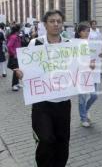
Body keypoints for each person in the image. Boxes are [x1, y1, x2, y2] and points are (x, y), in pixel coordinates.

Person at [15, 10, 72, 167]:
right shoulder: (36, 43)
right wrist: (21, 74)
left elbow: (77, 68)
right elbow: (26, 69)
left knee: (62, 140)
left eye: (59, 21)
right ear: (45, 24)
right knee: (45, 139)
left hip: (63, 102)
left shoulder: (69, 45)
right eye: (52, 21)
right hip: (42, 102)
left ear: (62, 24)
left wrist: (88, 67)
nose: (56, 24)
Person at [75, 24, 99, 127]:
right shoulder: (74, 43)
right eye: (85, 31)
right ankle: (83, 118)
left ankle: (85, 110)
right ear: (80, 32)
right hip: (80, 74)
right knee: (82, 98)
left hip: (92, 74)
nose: (87, 33)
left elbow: (94, 56)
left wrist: (95, 60)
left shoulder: (92, 43)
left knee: (94, 95)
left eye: (88, 31)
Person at [7, 24, 22, 91]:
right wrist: (14, 54)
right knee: (16, 70)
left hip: (17, 55)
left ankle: (17, 83)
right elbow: (9, 46)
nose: (21, 30)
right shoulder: (14, 37)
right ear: (18, 30)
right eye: (20, 29)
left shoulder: (17, 36)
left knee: (17, 70)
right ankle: (14, 85)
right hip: (14, 56)